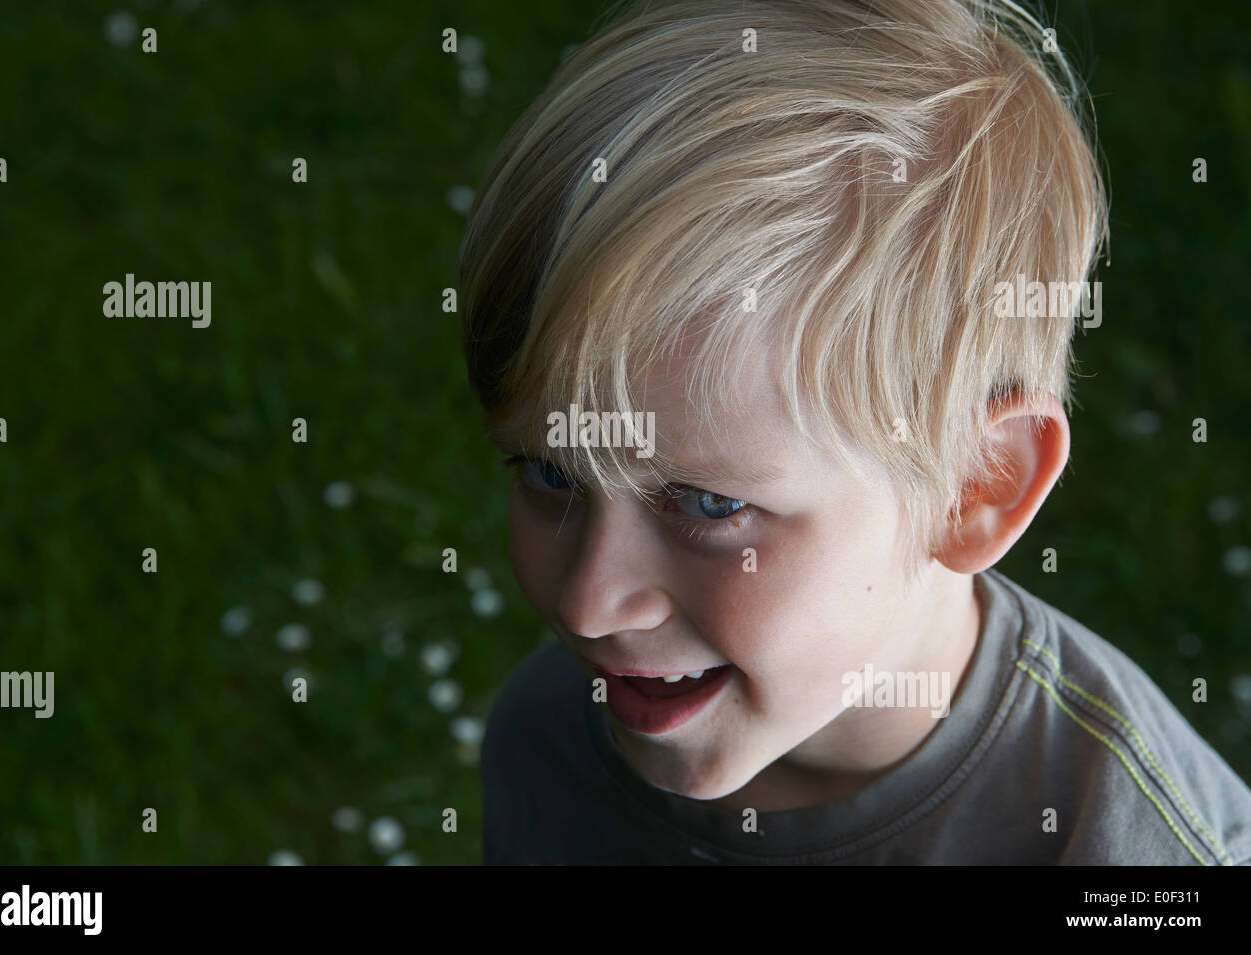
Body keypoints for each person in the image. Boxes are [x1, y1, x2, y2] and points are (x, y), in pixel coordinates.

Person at [457, 0, 1251, 864]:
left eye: (712, 503)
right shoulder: (551, 743)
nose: (589, 602)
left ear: (976, 485)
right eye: (550, 473)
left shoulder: (1124, 851)